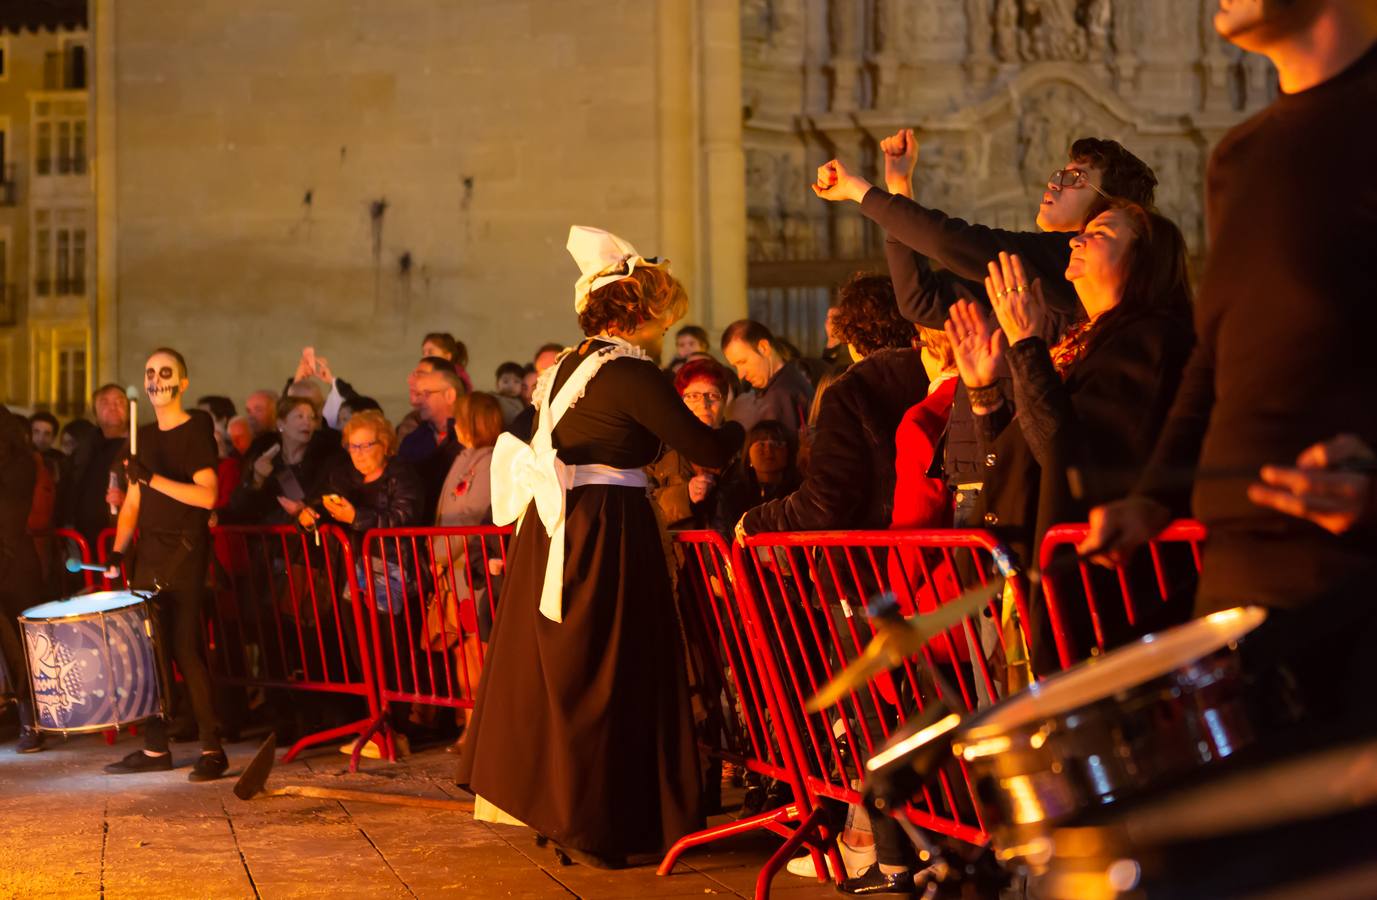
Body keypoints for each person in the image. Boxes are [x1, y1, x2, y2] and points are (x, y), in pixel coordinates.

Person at [1080, 0, 1377, 736]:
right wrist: (1152, 496)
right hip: (1238, 577)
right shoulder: (1237, 156)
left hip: (1354, 576)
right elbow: (1217, 354)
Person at [458, 226, 744, 868]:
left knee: (576, 671)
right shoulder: (626, 372)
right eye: (659, 313)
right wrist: (741, 430)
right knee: (611, 673)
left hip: (559, 530)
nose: (664, 328)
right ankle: (604, 822)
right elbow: (705, 447)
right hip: (604, 531)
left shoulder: (565, 367)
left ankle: (571, 810)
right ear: (637, 312)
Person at [949, 206, 1194, 674]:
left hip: (1106, 605)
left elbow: (1074, 460)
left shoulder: (1151, 341)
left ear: (1143, 259)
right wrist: (984, 397)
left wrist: (1026, 343)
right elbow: (1027, 462)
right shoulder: (1088, 340)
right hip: (1040, 588)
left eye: (1100, 232)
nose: (1077, 240)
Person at [103, 348, 228, 781]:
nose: (156, 379)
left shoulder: (197, 429)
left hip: (186, 550)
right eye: (150, 372)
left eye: (166, 372)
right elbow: (134, 500)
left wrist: (151, 477)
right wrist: (119, 550)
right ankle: (156, 749)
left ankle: (213, 748)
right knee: (148, 655)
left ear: (183, 382)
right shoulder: (144, 436)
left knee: (184, 649)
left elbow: (207, 494)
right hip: (150, 553)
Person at [735, 274, 926, 538]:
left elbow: (824, 501)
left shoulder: (851, 390)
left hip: (863, 562)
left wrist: (755, 520)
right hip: (934, 554)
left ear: (851, 334)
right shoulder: (936, 379)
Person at [432, 391, 505, 748]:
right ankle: (469, 721)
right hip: (452, 569)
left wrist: (440, 554)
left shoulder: (491, 461)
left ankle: (482, 725)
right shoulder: (464, 457)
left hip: (469, 570)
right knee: (464, 649)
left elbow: (473, 516)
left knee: (480, 650)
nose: (455, 424)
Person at [645, 357, 738, 530]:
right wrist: (684, 495)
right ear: (680, 401)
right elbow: (643, 508)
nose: (704, 404)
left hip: (731, 554)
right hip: (678, 555)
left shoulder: (742, 449)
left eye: (712, 395)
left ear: (724, 401)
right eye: (693, 396)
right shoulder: (658, 451)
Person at [0, 406, 45, 753]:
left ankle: (32, 720)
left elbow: (11, 522)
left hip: (12, 566)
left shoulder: (19, 463)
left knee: (18, 647)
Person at [228, 396, 341, 525]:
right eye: (300, 417)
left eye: (311, 417)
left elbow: (329, 501)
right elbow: (241, 509)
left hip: (309, 540)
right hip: (272, 541)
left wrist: (304, 511)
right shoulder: (266, 459)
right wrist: (257, 479)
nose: (307, 422)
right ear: (281, 424)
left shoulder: (325, 460)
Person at [62, 384, 132, 548]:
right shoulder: (84, 449)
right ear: (95, 413)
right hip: (83, 540)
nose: (113, 407)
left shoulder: (141, 446)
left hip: (123, 537)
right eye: (105, 402)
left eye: (119, 402)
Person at [721, 319, 814, 435]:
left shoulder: (780, 394)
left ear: (764, 348)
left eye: (743, 362)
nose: (741, 374)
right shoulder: (791, 378)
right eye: (736, 366)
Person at [399, 366, 465, 517]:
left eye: (426, 394)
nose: (417, 401)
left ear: (449, 395)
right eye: (418, 394)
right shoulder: (412, 440)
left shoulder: (471, 436)